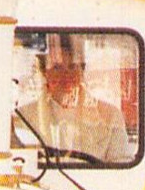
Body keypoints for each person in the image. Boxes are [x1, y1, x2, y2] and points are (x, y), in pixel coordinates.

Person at [15, 35, 133, 163]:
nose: (66, 76)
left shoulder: (110, 116)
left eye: (72, 66)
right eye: (57, 68)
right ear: (45, 73)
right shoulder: (23, 118)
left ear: (82, 70)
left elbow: (122, 168)